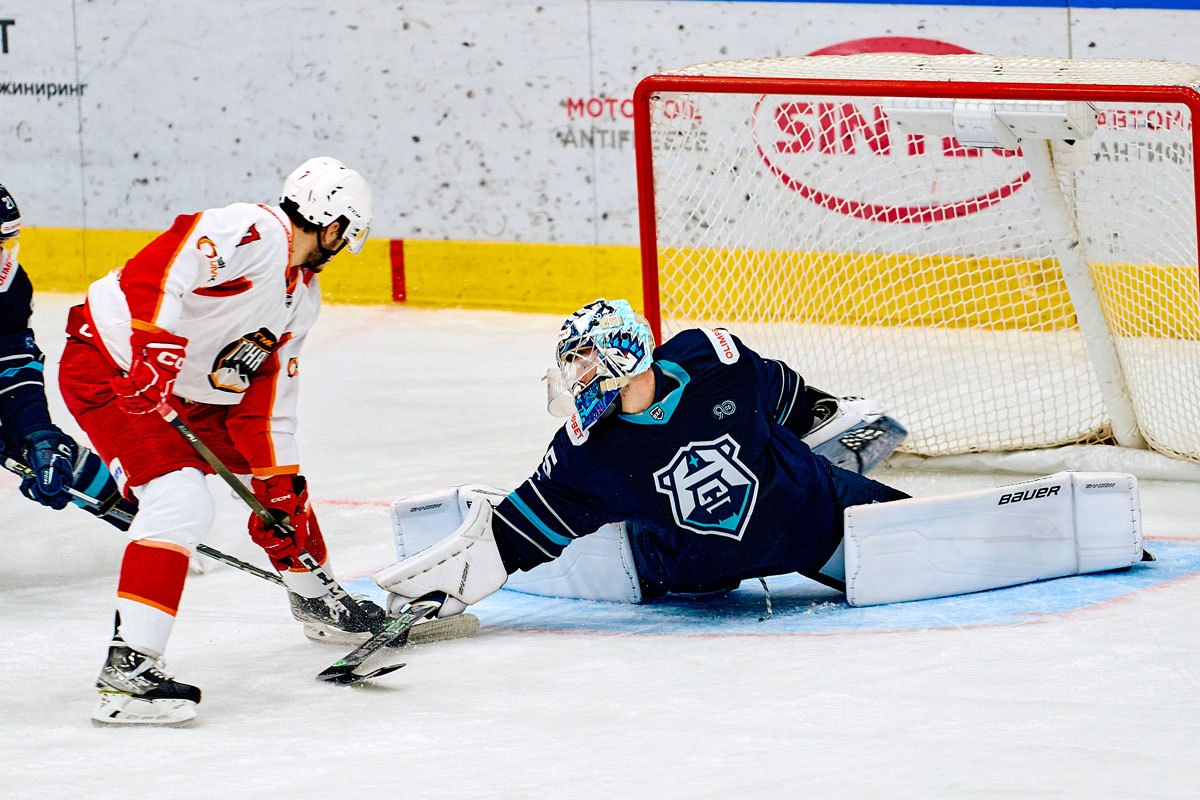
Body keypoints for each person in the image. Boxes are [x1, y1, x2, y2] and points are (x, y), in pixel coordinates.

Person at [373, 298, 1146, 619]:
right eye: (568, 362)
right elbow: (514, 534)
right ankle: (641, 548)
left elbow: (781, 392)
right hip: (688, 569)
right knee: (663, 551)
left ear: (622, 356)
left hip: (815, 518)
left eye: (582, 360)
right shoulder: (584, 455)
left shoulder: (713, 360)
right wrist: (444, 589)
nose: (574, 377)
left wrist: (830, 419)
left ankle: (1086, 536)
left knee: (912, 530)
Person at [59, 157, 379, 727]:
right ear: (333, 225)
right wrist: (153, 345)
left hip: (186, 390)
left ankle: (318, 599)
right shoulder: (252, 231)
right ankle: (129, 673)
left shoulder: (302, 298)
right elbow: (165, 265)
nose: (343, 247)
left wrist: (277, 481)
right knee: (179, 499)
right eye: (346, 234)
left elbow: (267, 402)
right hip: (114, 368)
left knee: (281, 487)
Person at [0, 183, 133, 529]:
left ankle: (149, 519)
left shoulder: (9, 286)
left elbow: (12, 364)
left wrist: (37, 434)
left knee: (40, 450)